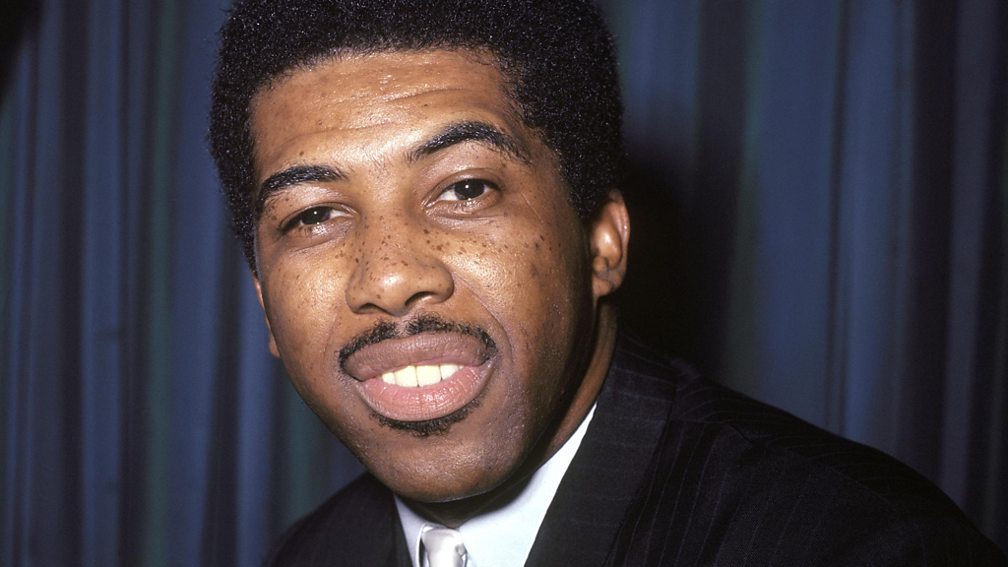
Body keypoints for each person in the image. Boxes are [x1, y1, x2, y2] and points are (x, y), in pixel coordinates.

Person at [208, 1, 1006, 565]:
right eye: (314, 215)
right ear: (264, 304)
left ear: (603, 242)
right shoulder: (311, 552)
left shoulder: (858, 544)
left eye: (466, 189)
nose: (389, 276)